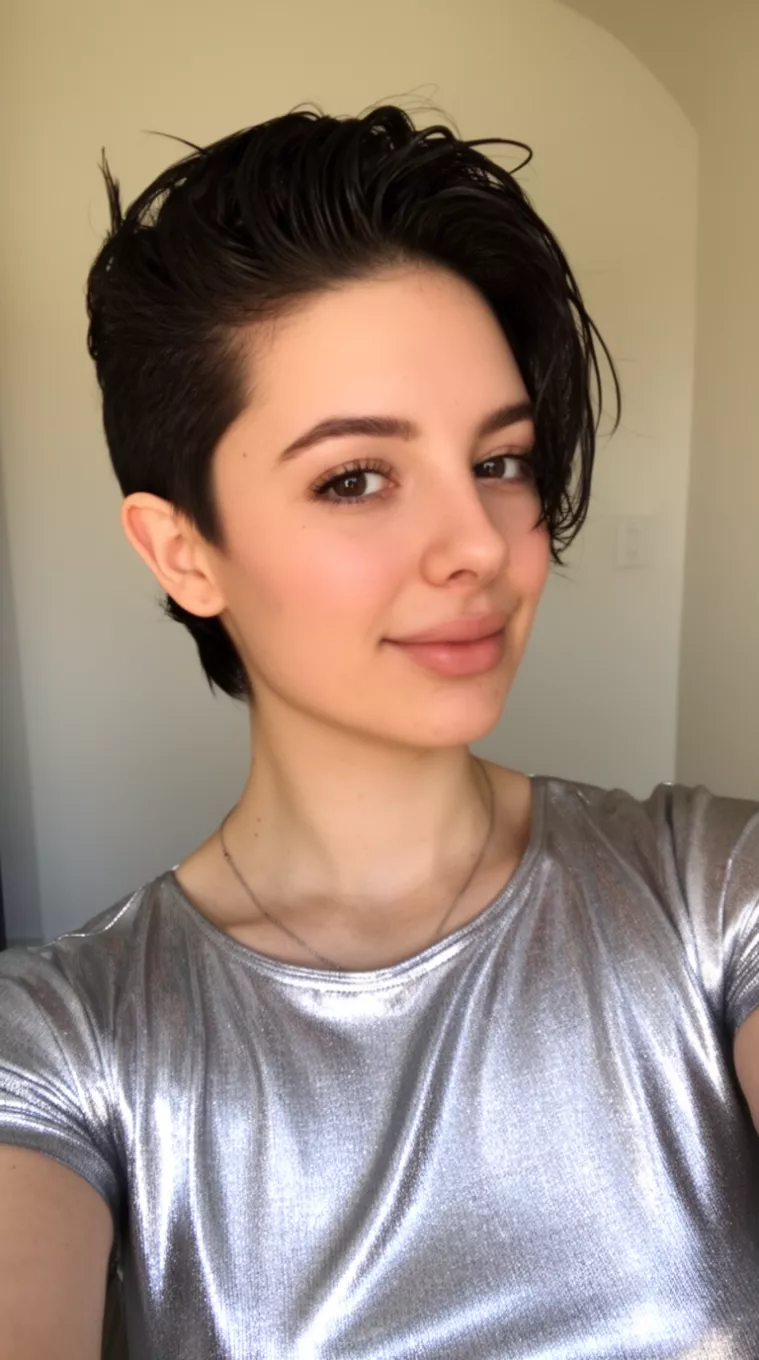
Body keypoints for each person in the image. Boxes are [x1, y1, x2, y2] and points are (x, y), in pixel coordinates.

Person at [0, 102, 757, 1360]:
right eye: (356, 477)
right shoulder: (66, 1041)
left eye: (502, 461)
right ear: (183, 549)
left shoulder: (707, 892)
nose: (482, 548)